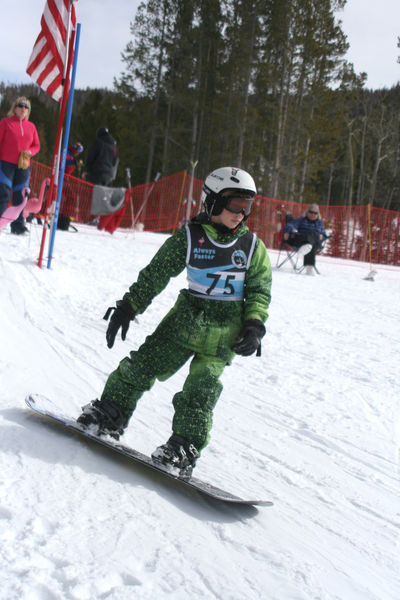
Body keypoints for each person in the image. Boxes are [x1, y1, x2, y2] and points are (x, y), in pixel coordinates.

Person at [77, 166, 272, 478]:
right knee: (141, 365)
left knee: (201, 392)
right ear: (212, 202)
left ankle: (182, 446)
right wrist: (130, 305)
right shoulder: (189, 239)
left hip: (225, 333)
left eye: (247, 207)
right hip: (185, 321)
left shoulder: (252, 248)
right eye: (235, 205)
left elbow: (260, 290)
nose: (241, 214)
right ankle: (109, 413)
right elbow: (157, 273)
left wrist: (254, 325)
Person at [0, 96, 40, 234]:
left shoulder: (31, 127)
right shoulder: (6, 122)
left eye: (26, 107)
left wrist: (31, 151)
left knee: (21, 196)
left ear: (28, 111)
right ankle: (0, 221)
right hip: (6, 164)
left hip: (23, 165)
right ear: (15, 108)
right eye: (20, 106)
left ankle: (18, 226)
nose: (23, 109)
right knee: (3, 194)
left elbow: (37, 145)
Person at [283, 203, 327, 274]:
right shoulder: (302, 220)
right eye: (311, 212)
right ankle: (309, 267)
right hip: (302, 240)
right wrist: (288, 231)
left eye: (315, 213)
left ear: (318, 214)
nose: (313, 214)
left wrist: (322, 236)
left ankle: (305, 249)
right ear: (307, 212)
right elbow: (290, 224)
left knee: (313, 235)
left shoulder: (319, 223)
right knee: (309, 242)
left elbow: (324, 234)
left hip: (316, 242)